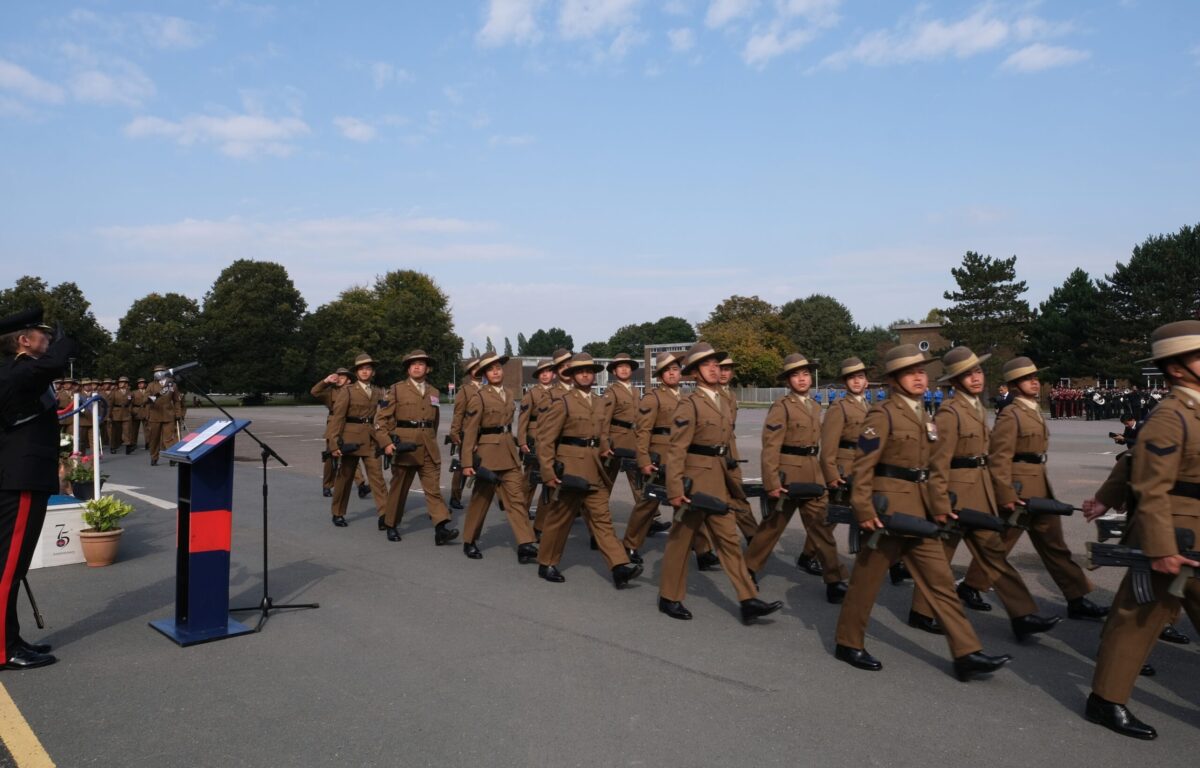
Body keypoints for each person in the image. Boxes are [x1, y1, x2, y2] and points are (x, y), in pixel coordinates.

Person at [833, 344, 1012, 681]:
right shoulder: (881, 415)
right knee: (865, 582)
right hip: (887, 513)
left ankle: (966, 653)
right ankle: (848, 642)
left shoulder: (926, 415)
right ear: (894, 379)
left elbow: (932, 467)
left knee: (941, 583)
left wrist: (941, 508)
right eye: (911, 372)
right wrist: (863, 508)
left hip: (921, 512)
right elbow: (863, 464)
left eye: (921, 371)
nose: (919, 377)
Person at [1086, 320, 1200, 740]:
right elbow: (1149, 483)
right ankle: (1105, 700)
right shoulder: (1170, 416)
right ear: (1176, 368)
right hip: (1170, 533)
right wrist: (1159, 547)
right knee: (1138, 619)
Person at [907, 347, 1060, 640]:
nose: (975, 378)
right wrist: (939, 502)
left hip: (979, 492)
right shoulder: (951, 412)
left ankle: (1022, 615)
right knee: (940, 556)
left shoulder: (976, 407)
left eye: (977, 372)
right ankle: (922, 612)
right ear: (954, 380)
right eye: (967, 374)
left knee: (994, 555)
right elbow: (937, 462)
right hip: (955, 496)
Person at [960, 357, 1109, 620]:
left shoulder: (1031, 409)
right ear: (1015, 385)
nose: (1035, 382)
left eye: (1035, 377)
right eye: (1028, 379)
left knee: (1055, 546)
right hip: (1018, 492)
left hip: (1039, 487)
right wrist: (1005, 493)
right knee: (999, 545)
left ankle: (1077, 598)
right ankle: (971, 586)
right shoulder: (1011, 414)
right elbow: (999, 457)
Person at [657, 342, 781, 624]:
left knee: (728, 541)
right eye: (707, 365)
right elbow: (676, 450)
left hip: (719, 479)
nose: (714, 369)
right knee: (680, 541)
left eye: (716, 364)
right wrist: (675, 488)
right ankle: (669, 596)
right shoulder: (689, 405)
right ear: (695, 373)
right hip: (693, 481)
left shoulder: (724, 401)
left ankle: (748, 599)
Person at [0, 306, 76, 669]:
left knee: (11, 567)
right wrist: (65, 342)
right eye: (42, 335)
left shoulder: (20, 373)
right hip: (20, 480)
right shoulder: (17, 371)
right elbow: (53, 365)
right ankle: (3, 649)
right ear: (23, 341)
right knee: (8, 568)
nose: (49, 340)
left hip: (22, 476)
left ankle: (9, 638)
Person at [746, 352, 849, 604]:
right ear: (788, 381)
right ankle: (747, 570)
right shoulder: (782, 407)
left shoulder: (814, 406)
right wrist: (772, 481)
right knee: (772, 528)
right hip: (787, 475)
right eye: (795, 375)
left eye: (805, 374)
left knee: (822, 528)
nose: (802, 379)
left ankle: (834, 580)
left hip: (812, 473)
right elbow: (770, 447)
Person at [534, 353, 641, 587]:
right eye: (580, 371)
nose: (585, 374)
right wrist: (549, 473)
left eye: (590, 371)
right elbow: (545, 440)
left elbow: (602, 432)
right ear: (572, 375)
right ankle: (547, 563)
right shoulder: (562, 402)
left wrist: (605, 449)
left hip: (595, 468)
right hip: (570, 468)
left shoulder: (600, 401)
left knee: (602, 519)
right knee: (559, 518)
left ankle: (619, 566)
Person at [458, 351, 537, 562]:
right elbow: (470, 431)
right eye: (490, 369)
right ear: (484, 374)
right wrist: (467, 462)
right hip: (487, 453)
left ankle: (525, 543)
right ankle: (469, 540)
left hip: (507, 451)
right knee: (481, 500)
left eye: (498, 368)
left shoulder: (509, 394)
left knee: (517, 499)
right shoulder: (478, 397)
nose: (495, 371)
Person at [375, 350, 459, 546]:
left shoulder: (434, 392)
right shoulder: (396, 390)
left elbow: (434, 421)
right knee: (399, 488)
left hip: (428, 446)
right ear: (407, 368)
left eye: (421, 364)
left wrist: (429, 436)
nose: (416, 367)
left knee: (433, 490)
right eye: (412, 364)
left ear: (427, 368)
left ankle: (440, 529)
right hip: (405, 446)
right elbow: (381, 419)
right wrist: (386, 442)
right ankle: (391, 524)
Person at [324, 354, 389, 527]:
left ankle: (384, 515)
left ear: (372, 372)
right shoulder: (347, 390)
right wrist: (334, 443)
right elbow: (337, 417)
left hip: (371, 439)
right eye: (361, 369)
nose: (365, 371)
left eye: (368, 368)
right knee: (344, 478)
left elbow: (383, 415)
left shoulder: (377, 391)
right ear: (356, 372)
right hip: (350, 439)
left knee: (378, 479)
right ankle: (337, 512)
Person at [517, 358, 556, 512]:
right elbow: (523, 419)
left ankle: (548, 511)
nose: (545, 375)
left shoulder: (558, 393)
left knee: (553, 476)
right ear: (538, 375)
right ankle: (522, 509)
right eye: (542, 372)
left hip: (554, 440)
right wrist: (522, 441)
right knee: (530, 479)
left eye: (548, 371)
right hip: (535, 439)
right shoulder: (532, 394)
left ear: (553, 374)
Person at [447, 357, 481, 511]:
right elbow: (458, 413)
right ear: (470, 372)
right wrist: (455, 434)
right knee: (462, 468)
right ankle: (455, 496)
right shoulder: (465, 390)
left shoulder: (488, 389)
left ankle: (480, 498)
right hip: (468, 435)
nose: (478, 370)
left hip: (486, 436)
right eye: (475, 368)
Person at [146, 366, 181, 466]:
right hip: (154, 415)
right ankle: (154, 457)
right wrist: (150, 398)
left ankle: (172, 457)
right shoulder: (151, 385)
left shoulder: (172, 385)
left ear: (164, 372)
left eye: (159, 371)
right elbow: (145, 399)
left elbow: (177, 401)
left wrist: (178, 414)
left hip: (168, 415)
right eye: (155, 372)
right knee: (154, 438)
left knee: (169, 439)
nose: (157, 373)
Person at [109, 376, 134, 454]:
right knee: (115, 432)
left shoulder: (130, 392)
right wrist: (109, 415)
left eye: (123, 382)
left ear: (126, 384)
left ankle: (128, 446)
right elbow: (110, 404)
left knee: (127, 431)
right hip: (116, 413)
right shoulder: (114, 392)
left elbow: (131, 403)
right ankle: (113, 446)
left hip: (126, 413)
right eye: (120, 382)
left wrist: (130, 412)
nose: (121, 384)